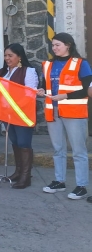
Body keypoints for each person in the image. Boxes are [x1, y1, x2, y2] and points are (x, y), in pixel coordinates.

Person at [37, 33, 91, 200]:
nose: (54, 48)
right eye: (53, 45)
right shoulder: (47, 65)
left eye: (57, 45)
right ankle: (59, 181)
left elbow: (86, 90)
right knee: (58, 149)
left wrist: (65, 96)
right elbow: (44, 85)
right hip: (53, 111)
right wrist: (40, 91)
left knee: (78, 151)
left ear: (68, 45)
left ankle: (81, 186)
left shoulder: (81, 63)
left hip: (74, 112)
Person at [0, 43, 38, 189]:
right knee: (14, 142)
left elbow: (29, 93)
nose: (7, 58)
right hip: (7, 114)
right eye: (6, 55)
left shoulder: (28, 71)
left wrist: (14, 105)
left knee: (23, 143)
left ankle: (26, 177)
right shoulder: (2, 72)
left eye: (10, 56)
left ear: (19, 57)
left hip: (22, 114)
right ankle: (18, 171)